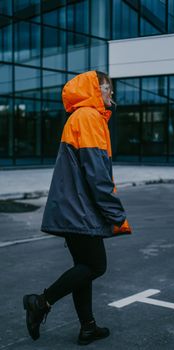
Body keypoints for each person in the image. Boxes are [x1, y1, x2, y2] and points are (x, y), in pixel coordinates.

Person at [23, 70, 132, 346]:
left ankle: (87, 327)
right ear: (95, 89)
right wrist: (117, 215)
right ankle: (41, 301)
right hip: (80, 210)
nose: (111, 94)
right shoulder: (89, 117)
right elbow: (98, 176)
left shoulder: (81, 117)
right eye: (107, 89)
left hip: (74, 208)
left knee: (84, 266)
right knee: (96, 265)